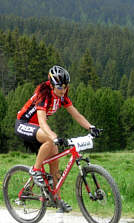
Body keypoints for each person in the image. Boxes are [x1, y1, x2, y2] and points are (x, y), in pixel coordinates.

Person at [15, 65, 100, 212]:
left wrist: (90, 127)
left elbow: (76, 114)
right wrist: (53, 136)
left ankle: (57, 200)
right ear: (52, 85)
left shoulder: (62, 97)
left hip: (39, 129)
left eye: (65, 87)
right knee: (50, 141)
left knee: (55, 166)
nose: (63, 90)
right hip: (24, 124)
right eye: (60, 87)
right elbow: (41, 121)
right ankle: (35, 171)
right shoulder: (44, 94)